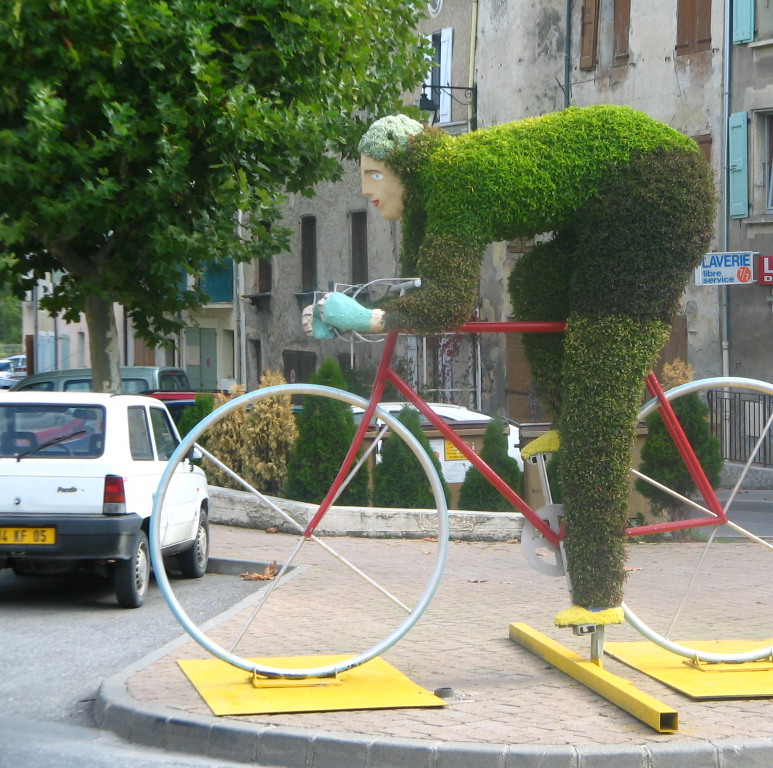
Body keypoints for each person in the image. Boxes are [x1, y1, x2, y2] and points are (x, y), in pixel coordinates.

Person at [305, 106, 715, 624]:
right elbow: (420, 287)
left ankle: (598, 596)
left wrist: (370, 318)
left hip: (654, 189)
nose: (366, 188)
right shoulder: (430, 197)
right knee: (535, 284)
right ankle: (574, 425)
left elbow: (448, 306)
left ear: (407, 169)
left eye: (374, 174)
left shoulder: (453, 181)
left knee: (598, 400)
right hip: (603, 206)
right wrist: (355, 313)